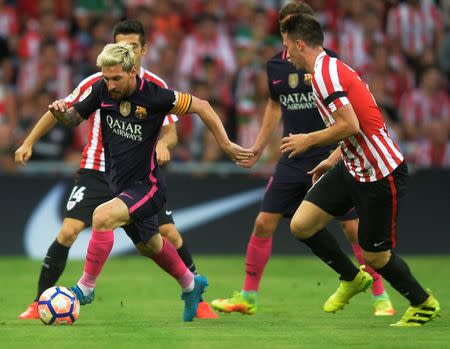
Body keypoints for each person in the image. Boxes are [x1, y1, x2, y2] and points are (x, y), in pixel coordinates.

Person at [16, 20, 217, 320]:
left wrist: (166, 144)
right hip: (98, 170)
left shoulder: (155, 89)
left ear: (142, 51)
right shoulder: (98, 83)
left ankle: (91, 288)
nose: (128, 50)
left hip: (139, 175)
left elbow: (172, 129)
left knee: (165, 234)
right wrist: (29, 140)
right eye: (122, 45)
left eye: (133, 46)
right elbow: (66, 112)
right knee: (88, 232)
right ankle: (37, 303)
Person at [211, 1, 393, 317]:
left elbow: (350, 110)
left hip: (327, 154)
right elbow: (273, 106)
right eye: (285, 25)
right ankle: (248, 297)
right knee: (264, 222)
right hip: (292, 157)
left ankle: (380, 294)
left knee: (352, 228)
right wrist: (258, 145)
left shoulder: (328, 62)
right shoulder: (275, 66)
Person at [48, 42, 252, 322]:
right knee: (151, 246)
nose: (111, 85)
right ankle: (192, 285)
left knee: (102, 216)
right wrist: (62, 113)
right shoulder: (101, 91)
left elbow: (202, 106)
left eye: (117, 78)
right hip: (120, 185)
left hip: (147, 185)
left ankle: (85, 288)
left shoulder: (156, 97)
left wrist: (226, 145)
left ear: (133, 72)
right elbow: (74, 118)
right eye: (106, 78)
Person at [278, 13, 439, 327]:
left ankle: (423, 303)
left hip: (381, 173)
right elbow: (359, 124)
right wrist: (333, 158)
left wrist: (308, 141)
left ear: (299, 44)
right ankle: (351, 279)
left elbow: (350, 124)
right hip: (353, 166)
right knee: (301, 225)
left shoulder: (325, 76)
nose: (286, 55)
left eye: (287, 47)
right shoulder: (330, 69)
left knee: (376, 257)